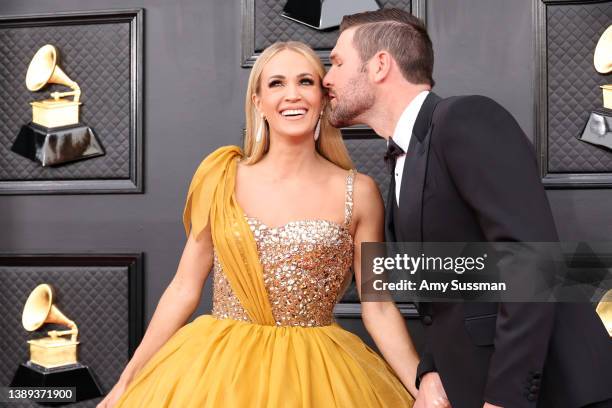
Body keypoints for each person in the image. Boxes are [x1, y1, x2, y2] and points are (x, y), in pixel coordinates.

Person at [97, 41, 417, 408]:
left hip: (316, 376)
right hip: (217, 374)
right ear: (257, 102)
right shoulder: (220, 178)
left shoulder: (360, 192)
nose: (292, 95)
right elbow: (184, 287)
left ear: (323, 97)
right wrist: (128, 379)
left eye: (306, 82)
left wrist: (421, 385)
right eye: (277, 84)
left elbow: (377, 305)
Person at [323, 8, 612, 408]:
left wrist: (504, 399)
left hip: (554, 393)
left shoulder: (464, 119)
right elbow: (450, 291)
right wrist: (431, 371)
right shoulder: (402, 161)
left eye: (337, 62)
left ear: (380, 65)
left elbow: (529, 263)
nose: (327, 78)